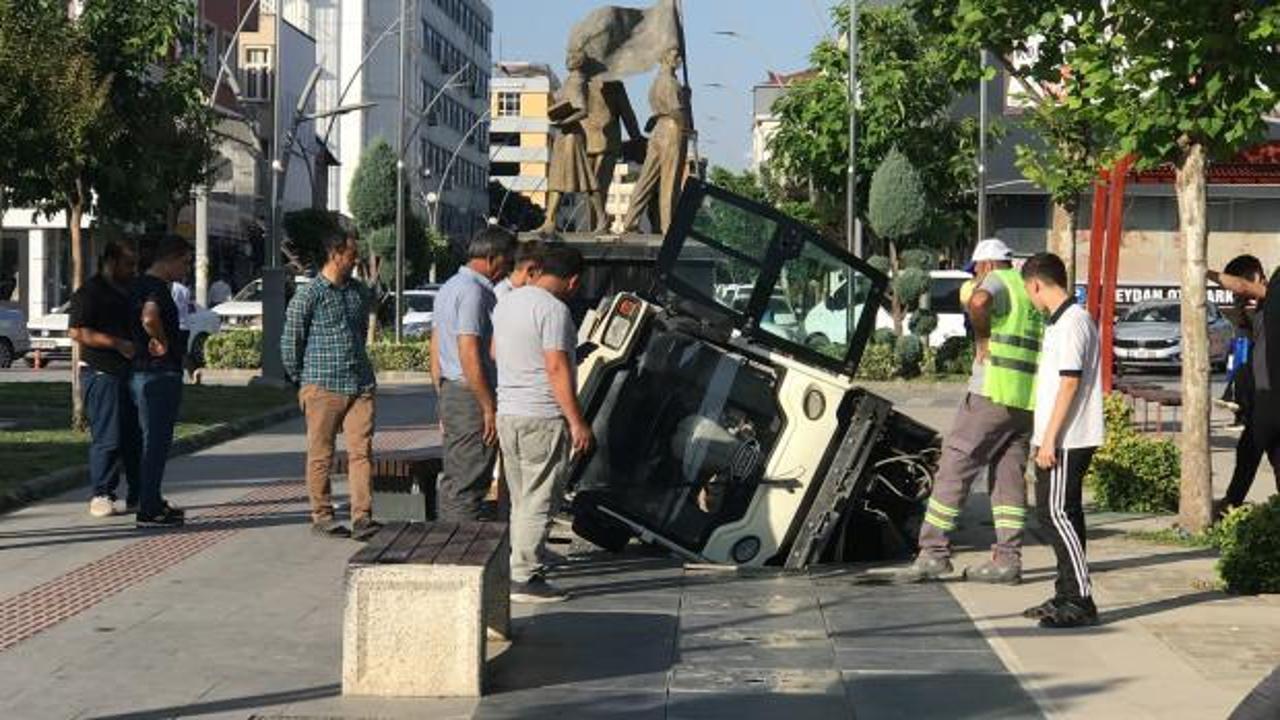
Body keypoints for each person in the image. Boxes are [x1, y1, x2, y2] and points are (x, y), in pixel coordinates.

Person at [897, 239, 1043, 584]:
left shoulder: (998, 280)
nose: (974, 277)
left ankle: (933, 553)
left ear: (987, 265)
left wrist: (981, 340)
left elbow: (979, 300)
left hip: (991, 393)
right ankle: (1008, 560)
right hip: (1025, 400)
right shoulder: (1029, 291)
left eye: (974, 270)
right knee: (1009, 479)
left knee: (955, 465)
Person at [493, 245, 593, 602]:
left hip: (509, 413)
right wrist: (577, 421)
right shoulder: (554, 311)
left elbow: (494, 352)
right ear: (573, 280)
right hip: (541, 415)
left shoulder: (507, 302)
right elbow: (556, 367)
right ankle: (524, 576)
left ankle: (522, 557)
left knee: (521, 494)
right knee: (541, 497)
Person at [1019, 253, 1105, 628]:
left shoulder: (1072, 323)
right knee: (1063, 514)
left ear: (1036, 284)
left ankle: (1080, 598)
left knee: (1055, 514)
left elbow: (1069, 383)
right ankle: (1066, 593)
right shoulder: (1064, 322)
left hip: (1069, 437)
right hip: (1060, 436)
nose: (1030, 299)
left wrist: (1050, 439)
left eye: (1028, 291)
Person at [281, 223, 381, 541]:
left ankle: (362, 517)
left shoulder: (357, 292)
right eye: (352, 254)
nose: (356, 260)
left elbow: (367, 318)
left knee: (361, 452)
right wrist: (302, 380)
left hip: (360, 384)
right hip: (322, 384)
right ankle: (322, 515)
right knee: (321, 453)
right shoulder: (309, 294)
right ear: (335, 254)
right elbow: (291, 339)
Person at [430, 227, 515, 520]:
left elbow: (436, 345)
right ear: (492, 258)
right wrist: (487, 406)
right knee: (468, 480)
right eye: (507, 263)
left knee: (457, 475)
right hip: (470, 394)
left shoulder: (450, 286)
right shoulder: (474, 292)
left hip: (454, 390)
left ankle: (451, 545)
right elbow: (468, 350)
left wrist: (441, 395)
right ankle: (458, 553)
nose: (507, 272)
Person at [69, 241, 141, 518]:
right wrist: (116, 343)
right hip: (101, 374)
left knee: (133, 437)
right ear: (110, 262)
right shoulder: (91, 293)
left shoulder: (130, 291)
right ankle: (101, 493)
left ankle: (138, 494)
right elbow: (77, 332)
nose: (132, 270)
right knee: (108, 437)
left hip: (129, 374)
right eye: (127, 265)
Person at [129, 236, 193, 529]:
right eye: (185, 262)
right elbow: (150, 317)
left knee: (146, 440)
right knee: (156, 442)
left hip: (139, 371)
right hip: (159, 372)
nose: (186, 269)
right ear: (171, 258)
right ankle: (149, 508)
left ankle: (148, 498)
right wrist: (162, 340)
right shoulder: (156, 288)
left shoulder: (137, 285)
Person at [1210, 257, 1280, 511]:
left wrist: (1200, 270)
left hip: (1272, 394)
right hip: (1263, 392)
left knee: (1249, 449)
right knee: (1273, 453)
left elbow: (1243, 286)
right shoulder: (1263, 308)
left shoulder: (1276, 288)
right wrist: (1244, 317)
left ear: (1256, 276)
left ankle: (1231, 504)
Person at [539, 50, 605, 235]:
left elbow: (583, 110)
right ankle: (549, 220)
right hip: (564, 134)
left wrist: (563, 121)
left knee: (585, 179)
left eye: (573, 58)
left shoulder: (577, 80)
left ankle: (602, 219)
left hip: (571, 136)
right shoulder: (570, 80)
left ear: (580, 62)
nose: (568, 60)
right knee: (557, 180)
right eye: (568, 57)